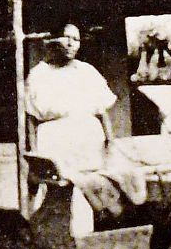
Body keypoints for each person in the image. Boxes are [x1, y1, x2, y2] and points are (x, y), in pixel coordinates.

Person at [24, 22, 143, 228]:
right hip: (55, 142)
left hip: (89, 141)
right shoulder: (38, 75)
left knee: (92, 187)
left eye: (76, 40)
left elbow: (102, 111)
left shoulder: (87, 72)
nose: (72, 44)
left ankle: (89, 238)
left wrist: (111, 142)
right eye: (67, 38)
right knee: (60, 191)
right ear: (52, 40)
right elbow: (31, 118)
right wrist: (35, 154)